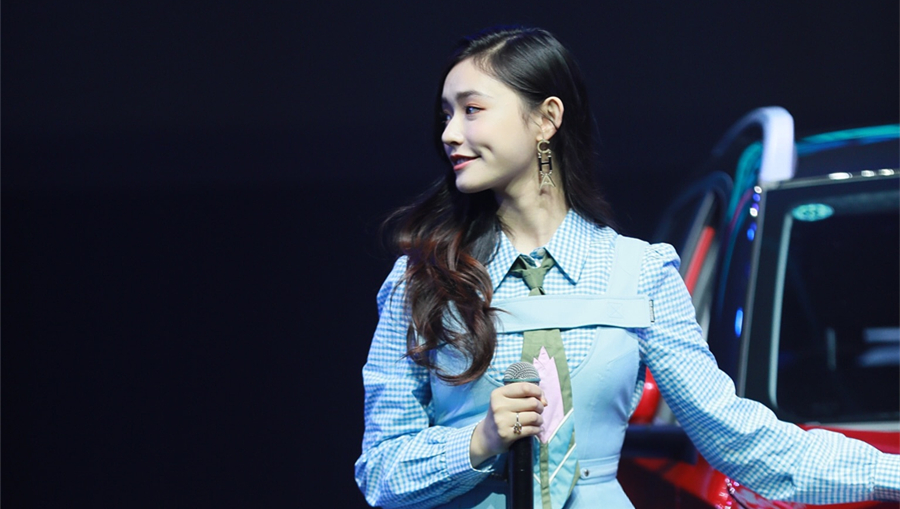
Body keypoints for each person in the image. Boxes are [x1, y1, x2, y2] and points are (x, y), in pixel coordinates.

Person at [354, 26, 900, 509]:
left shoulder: (640, 272)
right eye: (446, 114)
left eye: (471, 110)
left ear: (546, 119)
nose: (450, 133)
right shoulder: (421, 281)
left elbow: (741, 439)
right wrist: (477, 443)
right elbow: (378, 472)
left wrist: (889, 474)